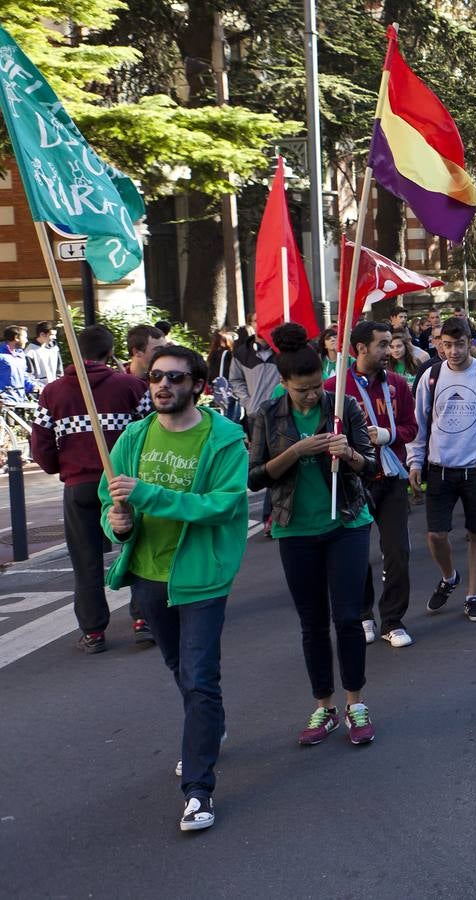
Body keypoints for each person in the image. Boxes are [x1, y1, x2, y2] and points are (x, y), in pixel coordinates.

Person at [100, 344, 249, 832]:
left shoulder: (224, 438)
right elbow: (112, 505)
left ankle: (199, 791)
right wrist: (118, 524)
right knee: (181, 668)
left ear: (198, 387)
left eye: (176, 378)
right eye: (156, 377)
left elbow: (221, 506)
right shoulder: (133, 437)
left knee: (200, 677)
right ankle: (209, 728)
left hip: (202, 576)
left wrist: (146, 494)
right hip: (147, 574)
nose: (163, 385)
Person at [249, 324, 380, 747]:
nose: (311, 396)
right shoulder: (267, 416)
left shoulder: (343, 406)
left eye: (314, 387)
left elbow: (371, 465)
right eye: (302, 389)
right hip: (295, 529)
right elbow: (254, 479)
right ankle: (323, 706)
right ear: (284, 383)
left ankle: (355, 702)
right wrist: (294, 452)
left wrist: (350, 453)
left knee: (348, 618)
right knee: (312, 623)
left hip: (346, 523)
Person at [30, 325, 149, 652]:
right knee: (136, 548)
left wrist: (62, 468)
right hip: (124, 483)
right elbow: (150, 431)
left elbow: (39, 445)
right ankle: (143, 619)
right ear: (110, 353)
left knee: (86, 560)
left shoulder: (53, 392)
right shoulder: (133, 387)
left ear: (75, 352)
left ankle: (94, 631)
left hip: (80, 485)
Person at [407, 317, 476, 623]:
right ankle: (449, 576)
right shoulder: (431, 376)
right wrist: (415, 460)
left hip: (475, 469)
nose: (453, 351)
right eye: (447, 344)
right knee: (436, 535)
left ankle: (473, 595)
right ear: (439, 344)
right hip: (440, 467)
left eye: (460, 344)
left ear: (470, 342)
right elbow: (419, 422)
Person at [328, 320, 418, 649]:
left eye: (391, 344)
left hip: (392, 478)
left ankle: (393, 620)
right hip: (355, 480)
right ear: (361, 348)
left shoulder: (397, 384)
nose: (389, 351)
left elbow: (412, 427)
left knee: (397, 551)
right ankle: (364, 614)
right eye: (382, 345)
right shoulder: (334, 388)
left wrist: (389, 435)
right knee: (356, 554)